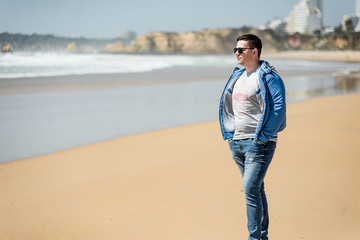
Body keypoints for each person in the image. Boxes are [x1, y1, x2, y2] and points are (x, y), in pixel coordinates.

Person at [219, 34, 286, 240]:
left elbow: (278, 108)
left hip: (258, 144)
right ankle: (262, 235)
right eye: (235, 50)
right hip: (237, 143)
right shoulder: (238, 76)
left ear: (254, 51)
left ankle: (255, 238)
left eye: (241, 50)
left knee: (249, 190)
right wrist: (231, 136)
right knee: (256, 190)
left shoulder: (268, 76)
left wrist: (262, 137)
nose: (237, 53)